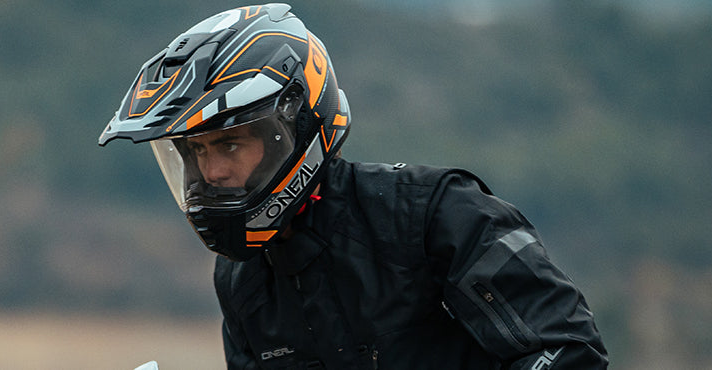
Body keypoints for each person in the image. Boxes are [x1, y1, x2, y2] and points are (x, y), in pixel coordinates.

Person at [97, 4, 608, 369]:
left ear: (294, 127)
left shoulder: (436, 214)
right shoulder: (242, 278)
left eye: (229, 145)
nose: (211, 173)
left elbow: (568, 350)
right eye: (196, 151)